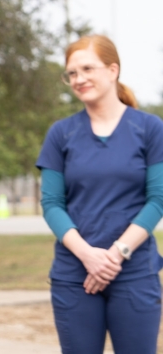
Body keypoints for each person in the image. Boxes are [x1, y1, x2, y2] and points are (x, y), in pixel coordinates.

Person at [37, 35, 163, 354]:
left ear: (112, 70)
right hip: (74, 274)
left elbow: (158, 199)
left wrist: (115, 254)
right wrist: (88, 256)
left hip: (135, 272)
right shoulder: (60, 134)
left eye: (87, 69)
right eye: (72, 73)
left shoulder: (150, 129)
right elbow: (52, 204)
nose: (79, 79)